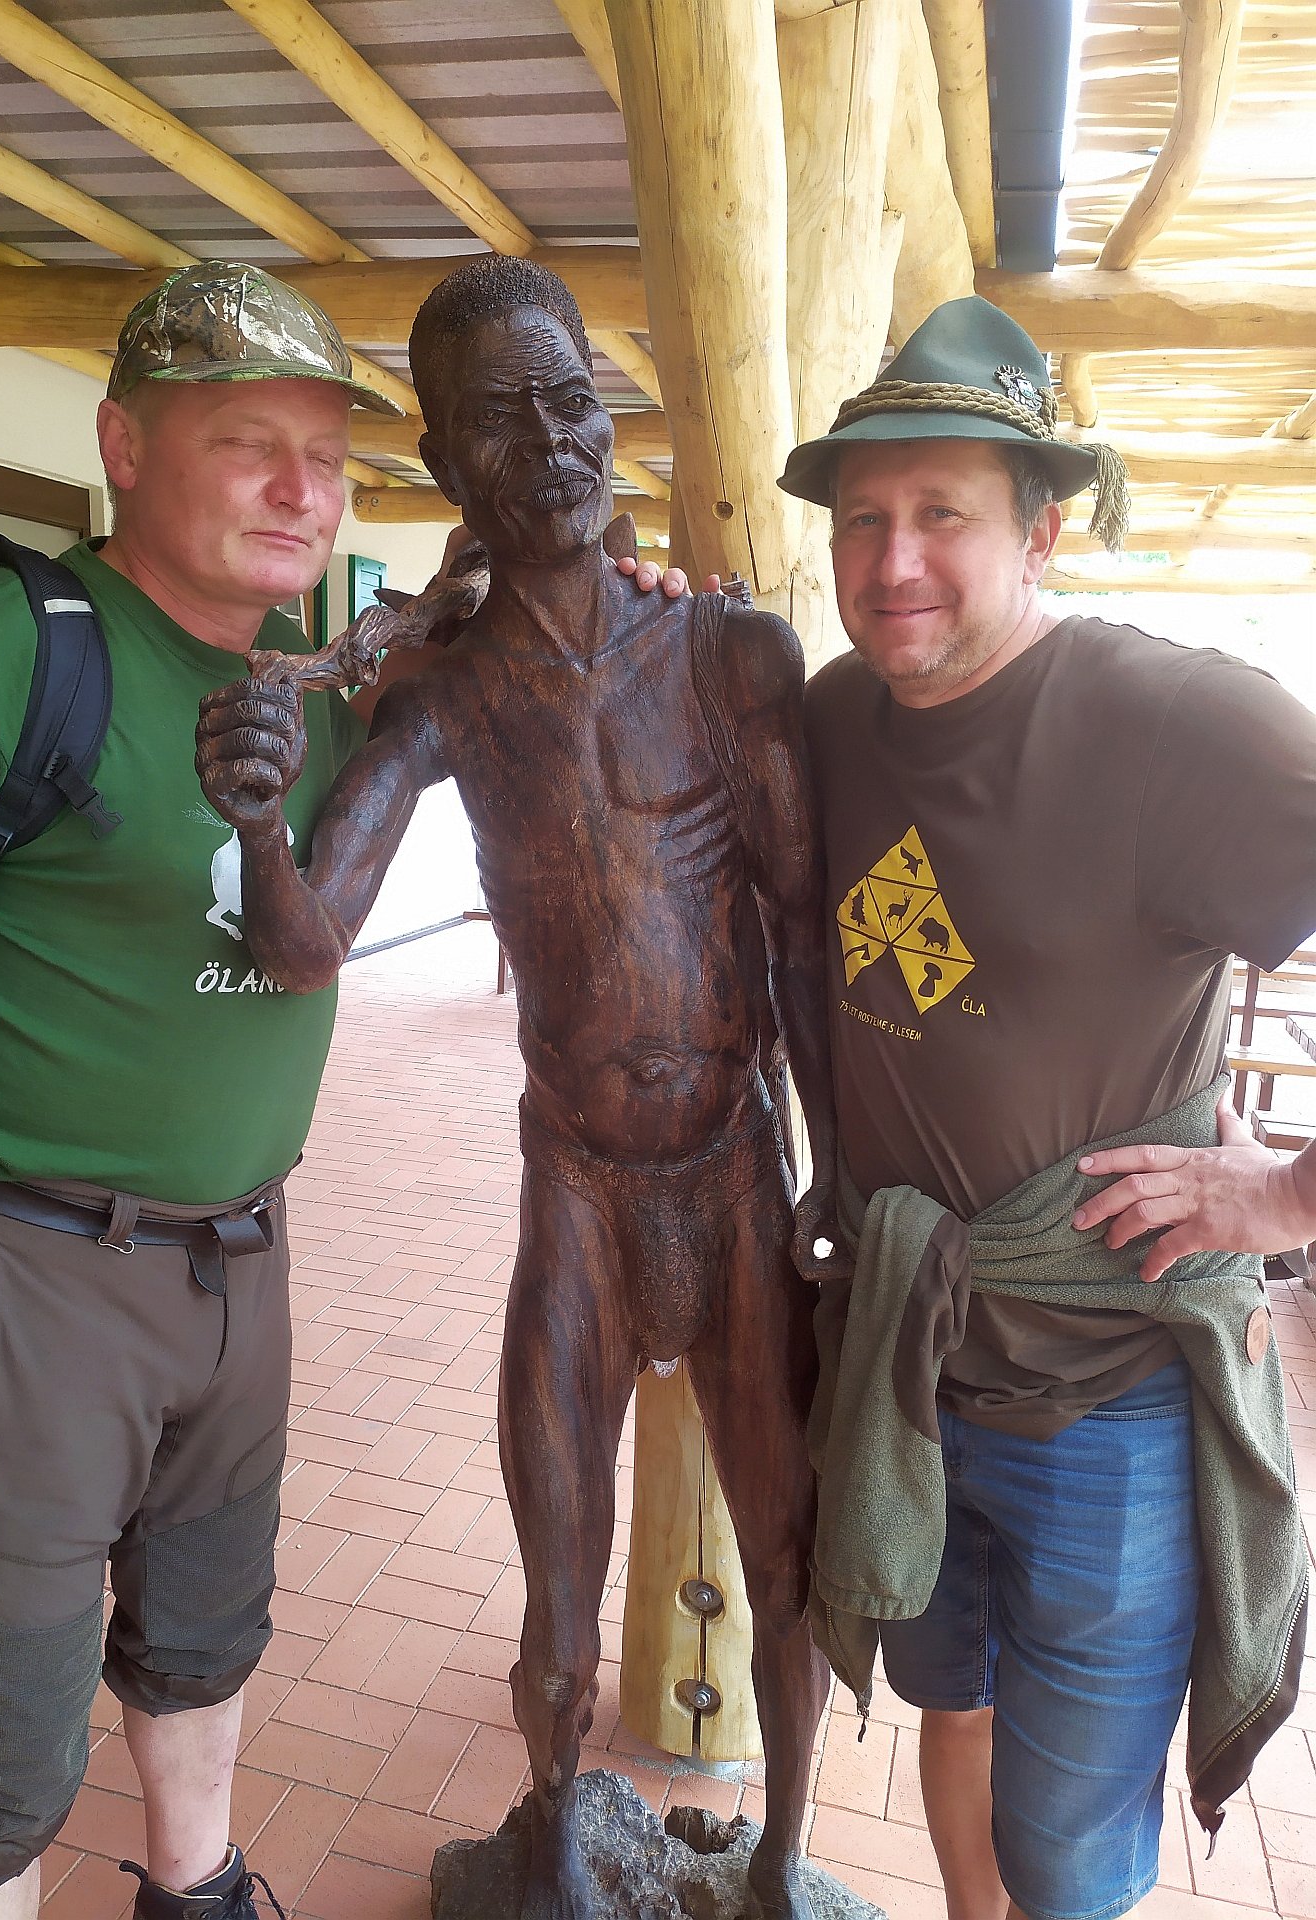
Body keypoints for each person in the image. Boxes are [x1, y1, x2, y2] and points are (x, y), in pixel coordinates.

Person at [194, 253, 838, 1920]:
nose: (550, 444)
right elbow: (309, 946)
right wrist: (258, 822)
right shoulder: (444, 692)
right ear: (447, 459)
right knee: (558, 1597)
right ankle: (553, 1842)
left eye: (572, 403)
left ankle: (783, 1857)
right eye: (502, 420)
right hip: (580, 1189)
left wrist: (835, 1177)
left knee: (788, 1560)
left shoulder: (733, 654)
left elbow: (805, 932)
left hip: (735, 1171)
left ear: (607, 416)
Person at [762, 295, 1315, 1920]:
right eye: (862, 520)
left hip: (1113, 1394)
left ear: (1044, 529)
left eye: (943, 514)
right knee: (955, 1709)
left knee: (1069, 1855)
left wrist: (1289, 1199)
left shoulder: (1177, 726)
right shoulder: (831, 719)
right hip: (913, 1366)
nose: (894, 561)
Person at [0, 261, 380, 1920]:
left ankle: (197, 1889)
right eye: (248, 444)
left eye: (327, 456)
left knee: (204, 1636)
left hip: (239, 1260)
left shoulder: (321, 689)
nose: (300, 489)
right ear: (122, 447)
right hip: (20, 1275)